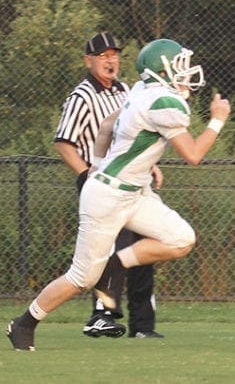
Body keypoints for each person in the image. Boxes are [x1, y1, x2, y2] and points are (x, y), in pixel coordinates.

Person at [7, 38, 231, 351]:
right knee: (83, 277)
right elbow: (193, 154)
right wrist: (218, 118)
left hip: (134, 193)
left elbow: (107, 127)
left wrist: (102, 164)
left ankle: (117, 263)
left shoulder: (140, 90)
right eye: (178, 65)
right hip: (109, 197)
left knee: (181, 239)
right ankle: (24, 322)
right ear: (162, 70)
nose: (186, 70)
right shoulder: (162, 101)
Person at [53, 32, 161, 339]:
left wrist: (151, 164)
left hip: (131, 183)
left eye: (113, 54)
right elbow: (64, 142)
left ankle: (143, 325)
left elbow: (132, 134)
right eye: (102, 56)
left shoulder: (125, 90)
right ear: (88, 61)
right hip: (102, 186)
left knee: (145, 247)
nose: (110, 60)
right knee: (114, 248)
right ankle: (101, 315)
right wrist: (86, 173)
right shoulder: (82, 97)